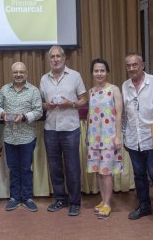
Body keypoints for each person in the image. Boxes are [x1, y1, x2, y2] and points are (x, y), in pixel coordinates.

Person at [122, 53, 153, 229]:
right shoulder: (125, 86)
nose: (132, 68)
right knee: (139, 175)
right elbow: (125, 115)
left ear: (142, 65)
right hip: (133, 139)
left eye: (135, 65)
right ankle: (144, 206)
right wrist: (123, 136)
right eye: (128, 66)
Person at [40, 45, 87, 216]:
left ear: (64, 58)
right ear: (49, 59)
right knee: (55, 167)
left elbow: (83, 99)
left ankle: (75, 202)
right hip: (50, 129)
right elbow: (42, 104)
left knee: (72, 167)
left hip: (70, 128)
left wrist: (71, 103)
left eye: (58, 56)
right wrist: (47, 105)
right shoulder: (44, 79)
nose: (55, 59)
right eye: (52, 57)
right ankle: (60, 199)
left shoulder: (75, 76)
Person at [0, 62, 43, 212]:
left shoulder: (33, 91)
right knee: (13, 168)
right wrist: (2, 113)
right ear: (12, 73)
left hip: (27, 137)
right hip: (10, 136)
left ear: (26, 73)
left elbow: (38, 111)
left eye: (21, 72)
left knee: (25, 168)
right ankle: (15, 198)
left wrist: (23, 116)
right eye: (16, 72)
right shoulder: (4, 89)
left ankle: (28, 198)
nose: (18, 75)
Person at [86, 59, 123, 219]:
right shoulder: (91, 91)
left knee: (106, 172)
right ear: (92, 73)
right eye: (96, 71)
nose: (99, 73)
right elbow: (90, 115)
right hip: (94, 138)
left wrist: (118, 135)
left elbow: (120, 114)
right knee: (98, 172)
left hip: (109, 137)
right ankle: (103, 200)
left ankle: (107, 204)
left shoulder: (114, 89)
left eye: (102, 70)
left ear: (107, 72)